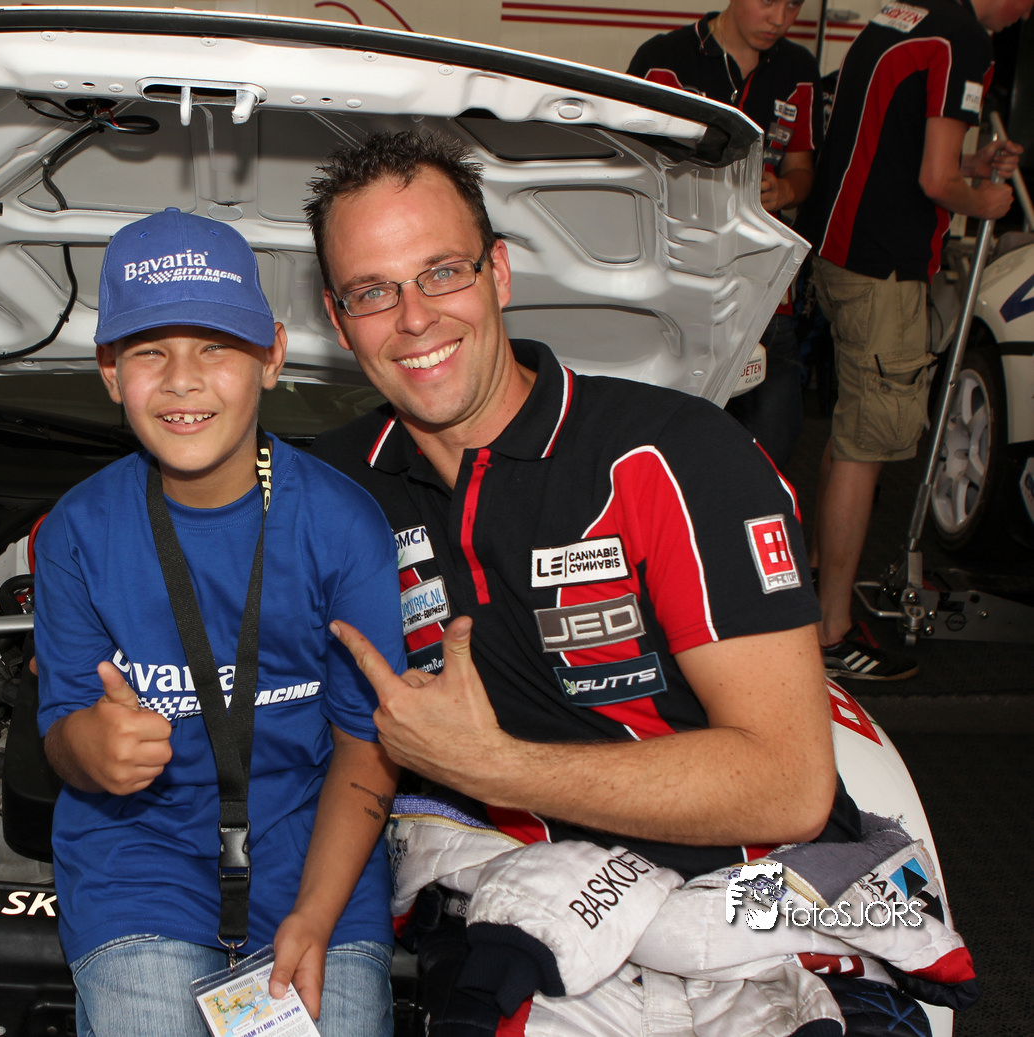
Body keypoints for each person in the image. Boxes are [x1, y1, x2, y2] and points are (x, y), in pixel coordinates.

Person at [303, 131, 887, 1033]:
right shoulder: (330, 487)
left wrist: (494, 765)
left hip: (756, 911)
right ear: (339, 320)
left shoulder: (674, 454)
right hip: (517, 920)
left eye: (442, 272)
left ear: (498, 273)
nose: (413, 318)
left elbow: (789, 783)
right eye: (372, 291)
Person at [34, 207, 404, 1037]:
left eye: (216, 348)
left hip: (315, 863)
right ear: (108, 371)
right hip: (137, 863)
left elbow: (366, 745)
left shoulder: (342, 524)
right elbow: (60, 727)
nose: (182, 380)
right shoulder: (76, 531)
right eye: (148, 352)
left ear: (271, 356)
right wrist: (89, 747)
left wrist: (313, 916)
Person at [795, 0, 1028, 681]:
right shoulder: (965, 40)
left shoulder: (906, 14)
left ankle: (818, 585)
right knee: (867, 445)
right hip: (883, 267)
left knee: (850, 428)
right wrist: (981, 198)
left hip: (838, 248)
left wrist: (969, 163)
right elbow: (934, 180)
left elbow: (898, 142)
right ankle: (830, 631)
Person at [628, 0, 821, 471]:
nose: (780, 18)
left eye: (793, 5)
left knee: (771, 446)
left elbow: (802, 170)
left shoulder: (798, 69)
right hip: (678, 283)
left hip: (765, 292)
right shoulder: (664, 60)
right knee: (665, 440)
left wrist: (786, 190)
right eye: (768, 1)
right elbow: (626, 164)